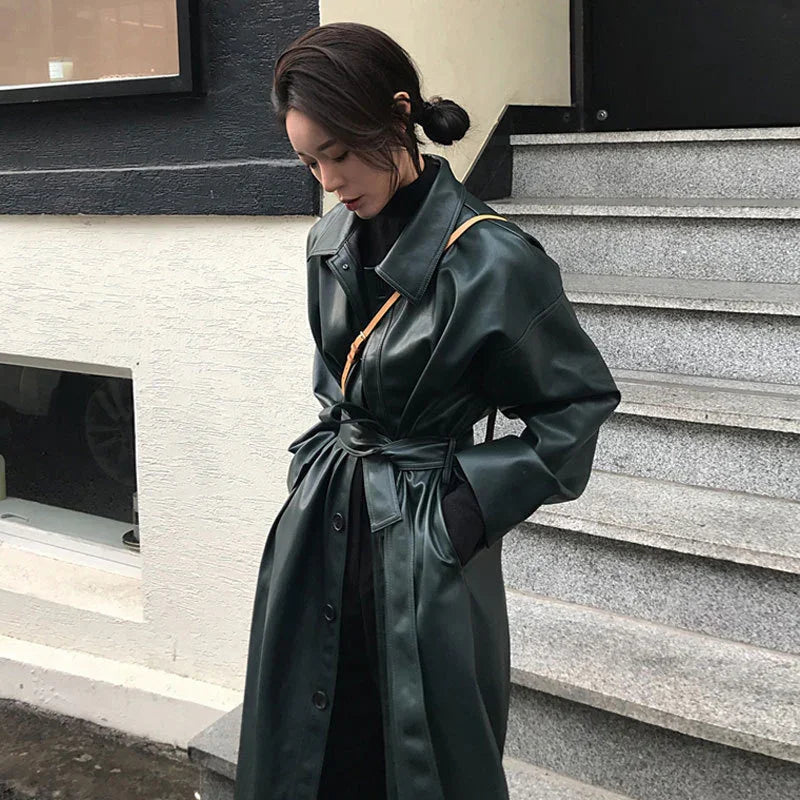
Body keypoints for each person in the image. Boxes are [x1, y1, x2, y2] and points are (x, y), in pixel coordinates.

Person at [234, 21, 621, 800]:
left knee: (423, 755)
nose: (330, 179)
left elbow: (576, 402)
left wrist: (468, 507)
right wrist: (314, 461)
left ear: (397, 114)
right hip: (324, 523)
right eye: (310, 161)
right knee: (314, 744)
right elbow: (338, 380)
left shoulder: (493, 260)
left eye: (340, 153)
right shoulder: (327, 238)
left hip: (426, 535)